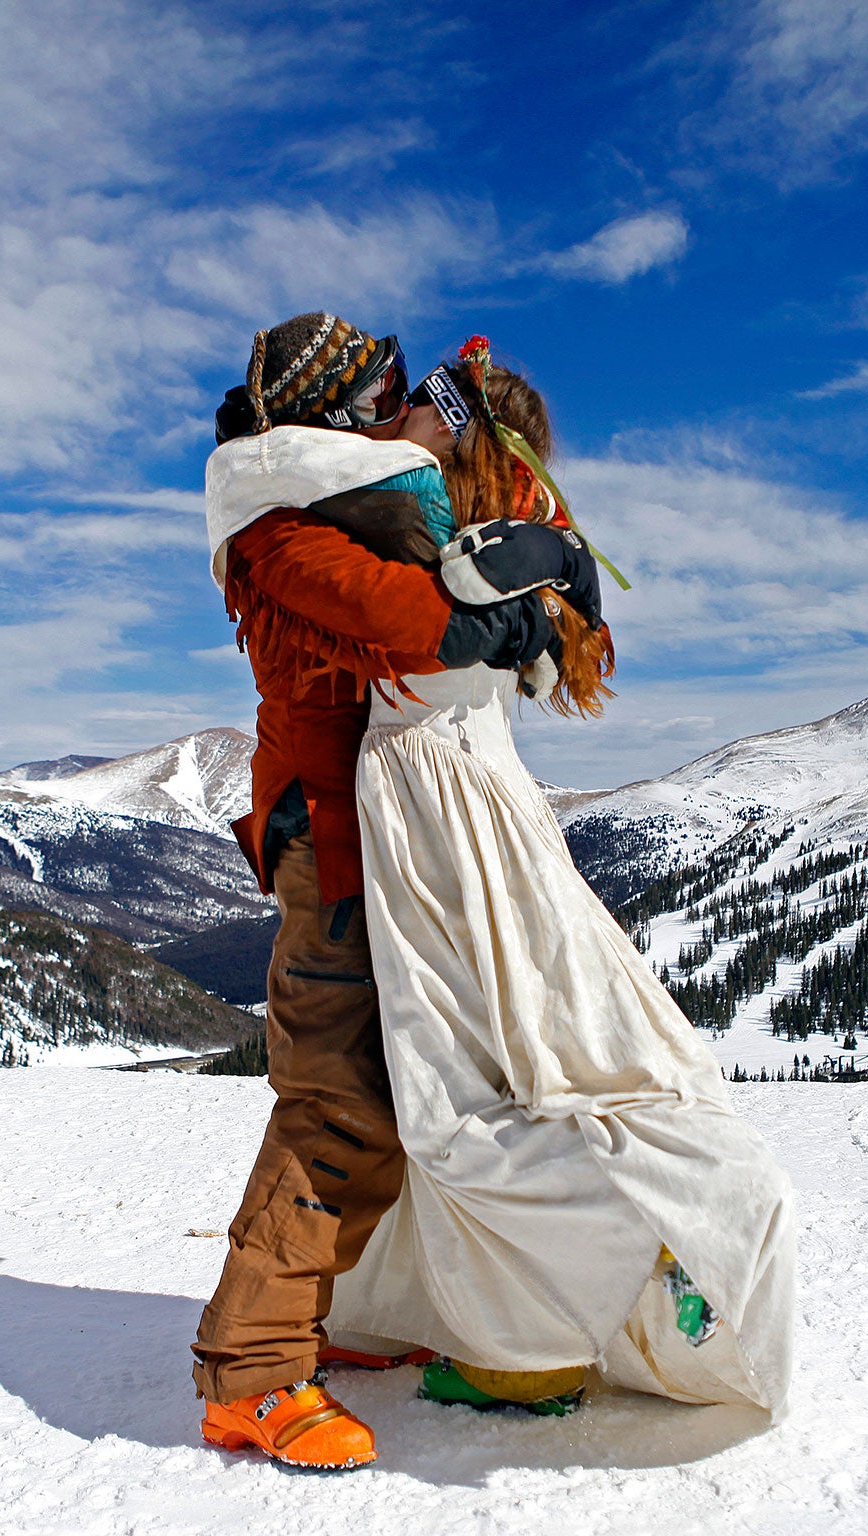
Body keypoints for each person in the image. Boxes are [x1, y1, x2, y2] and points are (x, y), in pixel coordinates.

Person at [325, 340, 798, 1421]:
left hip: (435, 813)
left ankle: (559, 1317)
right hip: (468, 801)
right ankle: (515, 1310)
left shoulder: (447, 540)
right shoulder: (502, 545)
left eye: (434, 397)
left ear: (466, 435)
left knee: (457, 1090)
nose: (403, 410)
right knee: (514, 1059)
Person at [192, 313, 590, 1470]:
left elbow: (476, 519)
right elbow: (404, 618)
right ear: (327, 408)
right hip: (332, 847)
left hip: (378, 840)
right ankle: (249, 1373)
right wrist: (504, 602)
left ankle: (345, 1315)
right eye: (374, 394)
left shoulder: (345, 499)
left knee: (413, 1082)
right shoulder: (279, 522)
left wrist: (542, 537)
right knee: (334, 1100)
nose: (389, 410)